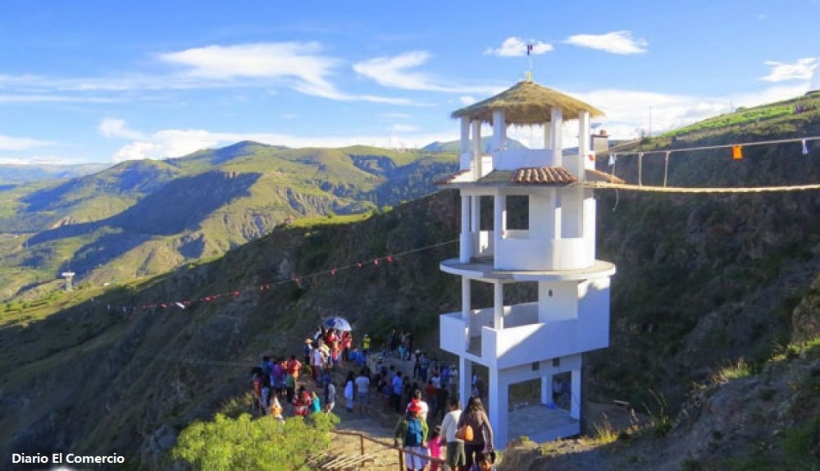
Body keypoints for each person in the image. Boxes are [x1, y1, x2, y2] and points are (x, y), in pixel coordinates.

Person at [456, 397, 494, 471]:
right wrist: (491, 442)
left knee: (468, 462)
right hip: (480, 442)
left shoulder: (464, 414)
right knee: (479, 462)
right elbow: (489, 429)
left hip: (468, 443)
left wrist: (465, 429)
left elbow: (458, 427)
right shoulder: (481, 414)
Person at [394, 401, 429, 471]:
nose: (418, 412)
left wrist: (424, 440)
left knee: (420, 464)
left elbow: (426, 429)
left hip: (418, 445)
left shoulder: (421, 419)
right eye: (416, 411)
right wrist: (397, 441)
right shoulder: (404, 420)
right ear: (412, 411)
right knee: (410, 465)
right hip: (408, 445)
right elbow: (397, 432)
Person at [440, 398, 465, 471]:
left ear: (453, 406)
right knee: (461, 463)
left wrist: (442, 438)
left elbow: (443, 428)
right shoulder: (463, 414)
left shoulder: (450, 415)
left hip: (452, 441)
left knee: (452, 463)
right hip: (463, 441)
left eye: (450, 406)